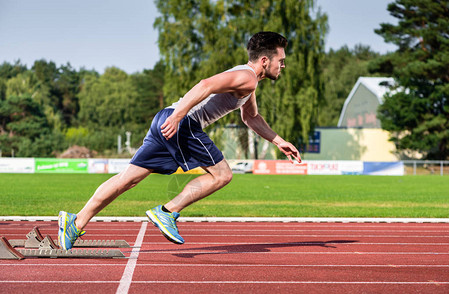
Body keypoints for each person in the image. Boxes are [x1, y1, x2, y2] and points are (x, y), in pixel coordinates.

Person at [58, 31, 302, 250]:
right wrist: (178, 117)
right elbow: (205, 85)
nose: (283, 66)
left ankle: (75, 222)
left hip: (166, 118)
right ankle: (167, 211)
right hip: (182, 122)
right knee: (223, 175)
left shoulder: (249, 83)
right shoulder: (246, 77)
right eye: (281, 61)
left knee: (128, 180)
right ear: (264, 60)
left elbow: (251, 117)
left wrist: (278, 141)